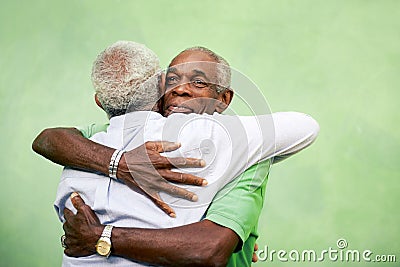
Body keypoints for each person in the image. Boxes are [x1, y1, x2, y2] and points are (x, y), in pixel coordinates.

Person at [33, 42, 319, 266]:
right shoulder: (102, 137)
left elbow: (210, 249)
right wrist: (120, 163)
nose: (180, 89)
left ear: (223, 99)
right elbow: (50, 138)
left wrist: (99, 237)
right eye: (171, 80)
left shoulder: (242, 150)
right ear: (157, 89)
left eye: (198, 82)